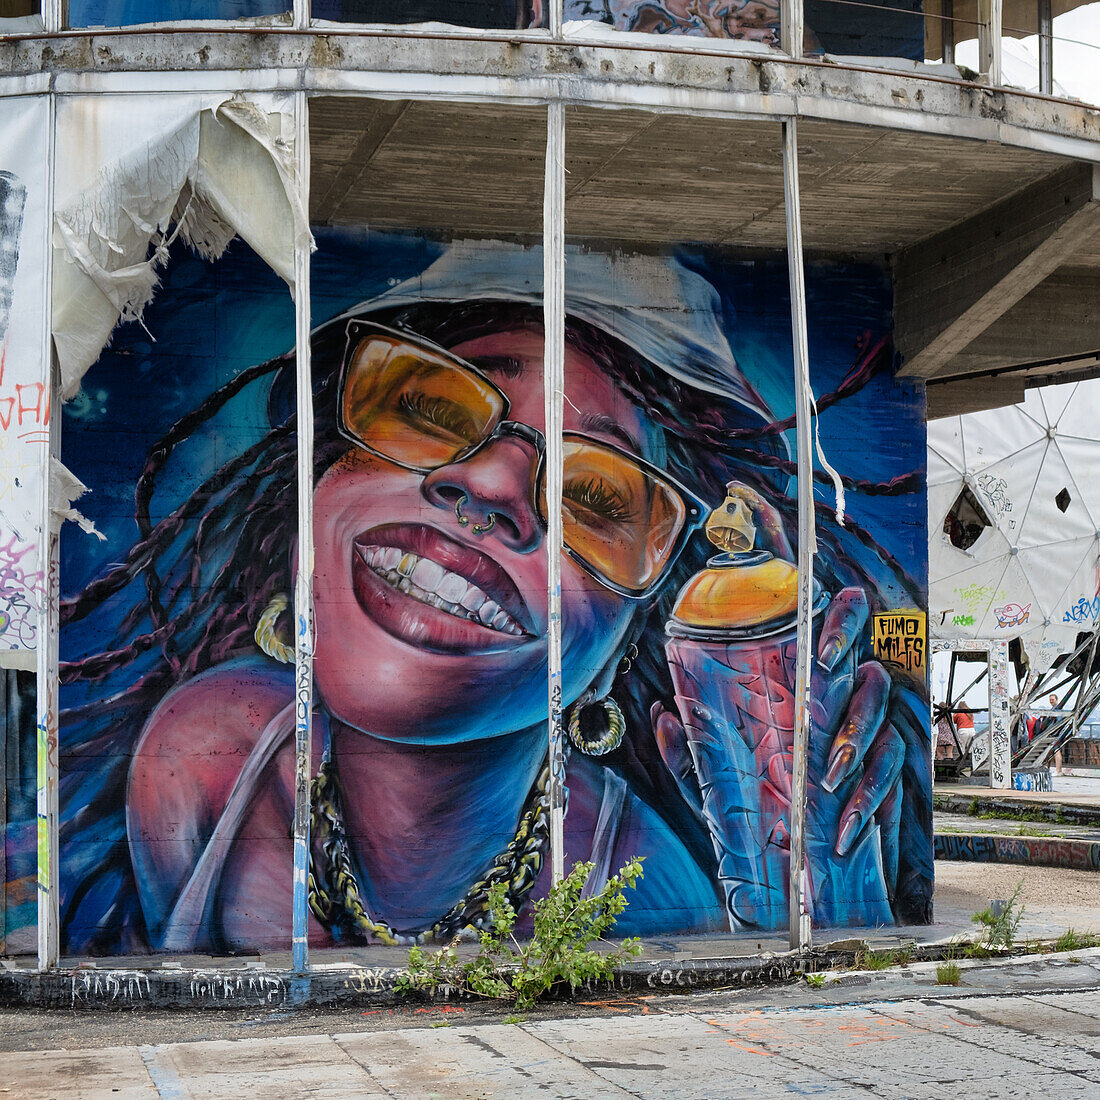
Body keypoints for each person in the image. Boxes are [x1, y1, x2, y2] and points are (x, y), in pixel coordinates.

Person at [57, 243, 931, 954]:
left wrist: (834, 913)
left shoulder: (644, 896)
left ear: (631, 640)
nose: (490, 482)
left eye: (598, 499)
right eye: (430, 410)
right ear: (318, 488)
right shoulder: (202, 760)